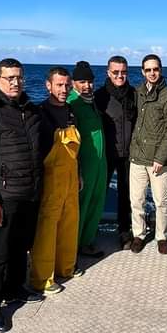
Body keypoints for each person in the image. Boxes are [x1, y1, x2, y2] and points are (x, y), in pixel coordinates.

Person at [0, 58, 43, 332]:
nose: (15, 82)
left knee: (21, 245)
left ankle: (14, 287)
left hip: (31, 190)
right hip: (5, 194)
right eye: (9, 78)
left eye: (19, 77)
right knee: (0, 251)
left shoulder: (30, 109)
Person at [28, 67, 81, 294]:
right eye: (59, 85)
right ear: (48, 86)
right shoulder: (39, 113)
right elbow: (35, 151)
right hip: (50, 178)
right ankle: (42, 279)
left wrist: (78, 174)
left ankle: (65, 266)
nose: (64, 89)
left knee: (69, 222)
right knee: (47, 228)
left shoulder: (70, 111)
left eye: (67, 85)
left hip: (70, 175)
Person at [128, 55, 167, 255]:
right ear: (143, 71)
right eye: (148, 70)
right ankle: (139, 234)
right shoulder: (138, 92)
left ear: (161, 70)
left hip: (159, 161)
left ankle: (161, 236)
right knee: (137, 200)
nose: (152, 73)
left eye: (155, 69)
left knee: (160, 202)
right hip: (137, 157)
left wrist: (160, 157)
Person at [94, 55, 136, 249]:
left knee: (126, 194)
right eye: (116, 72)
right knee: (99, 192)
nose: (120, 76)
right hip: (107, 154)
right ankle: (91, 229)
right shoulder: (99, 96)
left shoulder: (133, 94)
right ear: (108, 73)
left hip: (128, 154)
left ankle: (124, 231)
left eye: (123, 72)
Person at [67, 61, 107, 258]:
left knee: (96, 202)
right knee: (81, 205)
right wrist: (77, 169)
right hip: (84, 163)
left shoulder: (91, 101)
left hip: (100, 163)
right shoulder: (71, 103)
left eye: (90, 81)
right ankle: (72, 246)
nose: (87, 86)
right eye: (82, 82)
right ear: (73, 82)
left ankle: (87, 241)